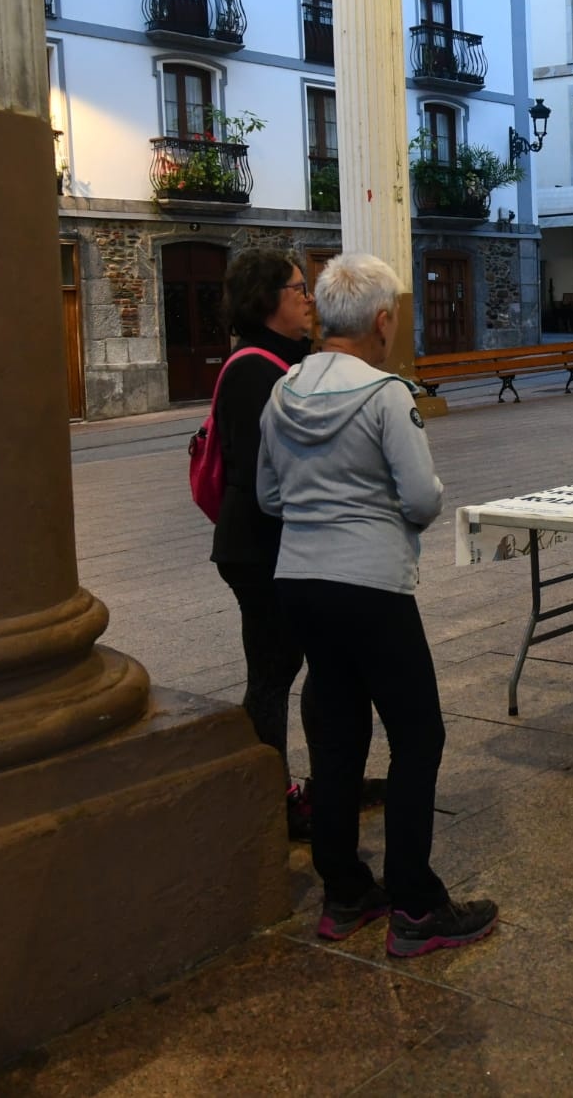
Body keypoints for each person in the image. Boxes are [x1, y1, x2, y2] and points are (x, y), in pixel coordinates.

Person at [258, 253, 497, 958]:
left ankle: (345, 891)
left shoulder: (283, 391)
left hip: (299, 581)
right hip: (370, 585)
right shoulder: (387, 395)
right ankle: (417, 904)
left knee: (336, 734)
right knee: (418, 735)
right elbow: (421, 498)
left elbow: (269, 495)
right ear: (383, 321)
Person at [210, 247, 315, 839]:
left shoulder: (278, 359)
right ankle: (268, 800)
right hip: (257, 545)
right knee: (272, 674)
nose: (308, 298)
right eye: (299, 289)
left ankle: (276, 791)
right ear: (269, 299)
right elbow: (262, 474)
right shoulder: (255, 369)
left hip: (264, 542)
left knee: (279, 666)